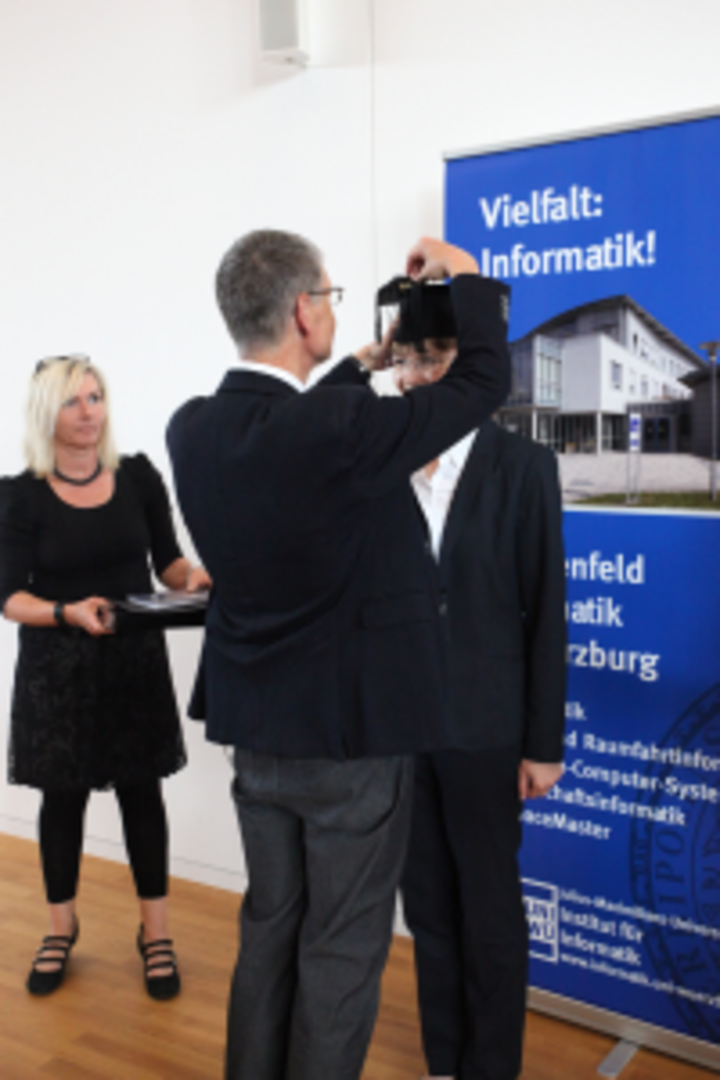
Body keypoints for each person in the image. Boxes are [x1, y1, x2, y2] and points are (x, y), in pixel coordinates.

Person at [166, 230, 511, 1080]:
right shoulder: (341, 430)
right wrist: (468, 275)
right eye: (328, 295)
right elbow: (482, 381)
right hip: (350, 746)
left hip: (257, 737)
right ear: (302, 310)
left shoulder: (193, 429)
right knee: (341, 948)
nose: (331, 309)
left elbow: (294, 425)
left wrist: (360, 362)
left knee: (269, 928)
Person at [379, 283, 566, 1080]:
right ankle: (443, 1061)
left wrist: (543, 744)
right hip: (401, 730)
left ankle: (490, 1067)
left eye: (435, 357)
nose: (418, 375)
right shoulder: (379, 464)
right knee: (426, 906)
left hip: (488, 728)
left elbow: (546, 611)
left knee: (489, 909)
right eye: (407, 359)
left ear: (471, 360)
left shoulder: (524, 467)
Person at [0, 354, 211, 1000]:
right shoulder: (20, 495)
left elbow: (168, 563)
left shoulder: (139, 476)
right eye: (73, 401)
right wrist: (66, 611)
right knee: (62, 800)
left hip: (133, 665)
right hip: (56, 671)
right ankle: (60, 927)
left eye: (95, 397)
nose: (89, 411)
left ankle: (156, 934)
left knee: (142, 795)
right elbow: (9, 597)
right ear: (47, 413)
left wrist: (195, 578)